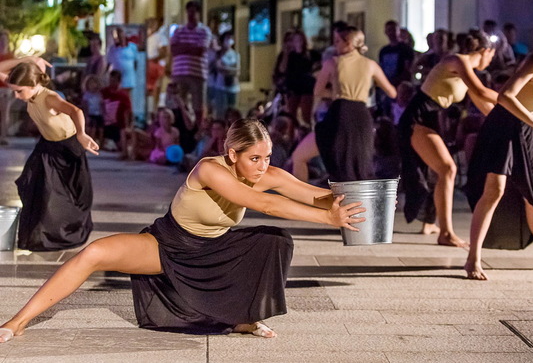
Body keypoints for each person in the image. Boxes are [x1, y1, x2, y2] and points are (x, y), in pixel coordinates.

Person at [0, 118, 365, 343]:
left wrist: (365, 197)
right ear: (232, 152)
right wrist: (328, 220)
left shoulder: (267, 174)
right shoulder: (210, 169)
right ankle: (16, 322)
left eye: (267, 157)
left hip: (214, 249)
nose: (263, 166)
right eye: (254, 158)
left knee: (275, 241)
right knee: (94, 254)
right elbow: (266, 204)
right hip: (169, 244)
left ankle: (243, 319)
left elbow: (317, 194)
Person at [464, 23, 533, 280]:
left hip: (526, 128)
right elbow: (505, 97)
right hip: (503, 125)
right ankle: (473, 259)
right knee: (494, 191)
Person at [398, 29, 498, 246]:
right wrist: (512, 101)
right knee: (447, 169)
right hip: (418, 116)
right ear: (485, 51)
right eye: (492, 55)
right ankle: (446, 233)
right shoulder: (457, 60)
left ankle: (431, 223)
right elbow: (482, 92)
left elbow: (482, 104)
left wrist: (511, 118)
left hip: (431, 119)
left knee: (440, 171)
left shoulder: (467, 71)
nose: (492, 60)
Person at [0, 57, 99, 251]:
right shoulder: (28, 87)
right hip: (47, 147)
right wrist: (27, 59)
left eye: (19, 91)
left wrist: (81, 134)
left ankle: (63, 235)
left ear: (33, 84)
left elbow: (76, 111)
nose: (17, 96)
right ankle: (39, 236)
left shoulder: (50, 98)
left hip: (67, 149)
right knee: (32, 186)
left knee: (70, 198)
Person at [291, 27, 397, 183]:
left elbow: (318, 91)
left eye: (338, 41)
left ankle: (301, 199)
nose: (335, 46)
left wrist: (336, 93)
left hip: (340, 113)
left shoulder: (333, 63)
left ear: (349, 43)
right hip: (361, 116)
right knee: (357, 166)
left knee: (299, 156)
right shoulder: (370, 65)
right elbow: (392, 92)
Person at [170, 0, 212, 125]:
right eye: (189, 12)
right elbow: (174, 50)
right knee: (178, 103)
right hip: (179, 73)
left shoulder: (204, 31)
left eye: (193, 12)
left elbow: (200, 50)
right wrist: (190, 47)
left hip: (197, 73)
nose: (190, 15)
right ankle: (181, 127)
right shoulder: (178, 31)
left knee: (197, 105)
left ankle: (197, 129)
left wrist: (183, 47)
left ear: (198, 13)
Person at [377, 20, 415, 117]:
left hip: (400, 87)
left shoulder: (405, 49)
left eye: (393, 30)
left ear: (398, 31)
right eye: (388, 30)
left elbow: (408, 69)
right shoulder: (383, 51)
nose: (391, 33)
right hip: (386, 86)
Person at [284, 29, 320, 126]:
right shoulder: (291, 56)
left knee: (306, 114)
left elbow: (319, 66)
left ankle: (307, 135)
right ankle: (291, 138)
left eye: (300, 40)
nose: (298, 43)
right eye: (295, 40)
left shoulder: (311, 54)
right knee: (291, 115)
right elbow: (287, 71)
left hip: (307, 87)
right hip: (294, 88)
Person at [213, 31, 240, 119]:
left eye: (231, 39)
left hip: (233, 87)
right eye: (227, 39)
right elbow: (219, 68)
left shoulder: (235, 54)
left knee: (232, 111)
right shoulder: (219, 54)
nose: (229, 41)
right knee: (221, 112)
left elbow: (237, 71)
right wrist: (231, 69)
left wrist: (226, 69)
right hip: (221, 87)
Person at [106, 27, 138, 92]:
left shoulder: (132, 47)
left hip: (129, 78)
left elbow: (135, 62)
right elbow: (108, 63)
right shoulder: (112, 49)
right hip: (117, 78)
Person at [81, 74, 105, 145]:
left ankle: (100, 143)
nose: (93, 85)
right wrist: (86, 115)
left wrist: (104, 113)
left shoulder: (99, 94)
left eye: (95, 83)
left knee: (100, 129)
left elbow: (102, 104)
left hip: (99, 113)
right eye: (91, 83)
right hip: (91, 114)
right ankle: (91, 142)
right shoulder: (86, 95)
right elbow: (85, 106)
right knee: (92, 128)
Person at [0, 30, 14, 145]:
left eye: (5, 40)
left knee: (5, 113)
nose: (3, 43)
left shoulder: (10, 56)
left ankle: (3, 136)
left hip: (6, 88)